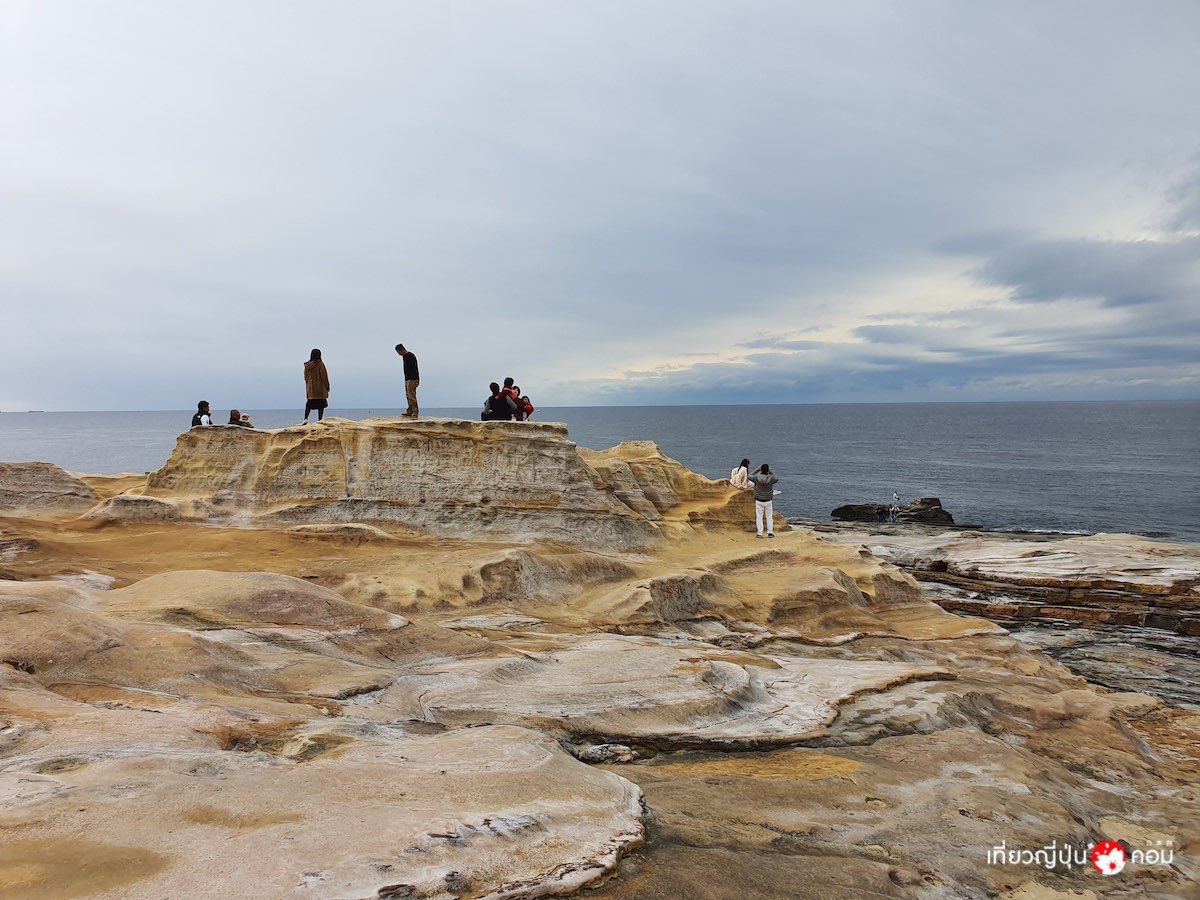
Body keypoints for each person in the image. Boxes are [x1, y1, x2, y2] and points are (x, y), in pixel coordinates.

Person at [748, 463, 779, 538]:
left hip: (759, 499)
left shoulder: (756, 477)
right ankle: (770, 533)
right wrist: (770, 471)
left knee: (759, 517)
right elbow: (776, 477)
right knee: (769, 517)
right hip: (768, 500)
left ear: (761, 469)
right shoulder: (771, 478)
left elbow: (748, 475)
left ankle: (760, 533)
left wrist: (757, 469)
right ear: (767, 470)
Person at [302, 349, 330, 423]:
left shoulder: (307, 366)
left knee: (309, 403)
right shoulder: (320, 364)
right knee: (321, 403)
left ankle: (305, 419)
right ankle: (320, 419)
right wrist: (327, 386)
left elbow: (305, 377)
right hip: (320, 387)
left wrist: (309, 385)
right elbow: (324, 377)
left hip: (311, 387)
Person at [395, 343, 420, 418]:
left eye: (398, 352)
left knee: (412, 396)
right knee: (408, 396)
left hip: (413, 379)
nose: (398, 354)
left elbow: (414, 369)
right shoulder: (404, 357)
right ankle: (410, 410)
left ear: (402, 350)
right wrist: (406, 379)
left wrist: (413, 380)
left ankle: (415, 412)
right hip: (407, 379)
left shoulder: (411, 356)